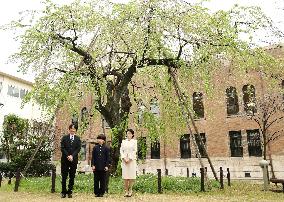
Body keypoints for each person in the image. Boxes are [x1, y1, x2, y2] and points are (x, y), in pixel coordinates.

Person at [60, 124, 81, 198]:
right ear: (69, 129)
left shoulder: (78, 139)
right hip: (65, 160)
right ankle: (63, 192)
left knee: (72, 176)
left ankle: (70, 192)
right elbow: (62, 148)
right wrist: (68, 156)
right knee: (64, 176)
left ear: (76, 130)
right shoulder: (64, 138)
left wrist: (72, 156)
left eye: (74, 129)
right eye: (71, 129)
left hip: (73, 160)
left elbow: (78, 149)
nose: (73, 130)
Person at [120, 129, 137, 197]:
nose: (128, 135)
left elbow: (134, 151)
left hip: (131, 160)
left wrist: (129, 159)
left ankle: (130, 190)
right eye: (127, 133)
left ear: (132, 134)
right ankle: (126, 191)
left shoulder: (134, 142)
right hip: (124, 161)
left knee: (131, 176)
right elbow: (121, 150)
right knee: (125, 176)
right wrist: (124, 158)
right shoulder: (123, 142)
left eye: (130, 133)